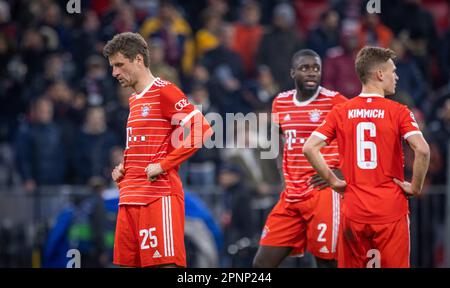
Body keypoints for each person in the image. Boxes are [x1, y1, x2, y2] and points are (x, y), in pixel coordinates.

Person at [303, 46, 430, 268]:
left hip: (354, 210)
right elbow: (422, 149)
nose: (396, 76)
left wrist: (334, 182)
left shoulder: (341, 111)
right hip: (390, 211)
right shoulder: (399, 111)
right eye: (393, 71)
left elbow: (309, 147)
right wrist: (416, 187)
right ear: (380, 74)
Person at [103, 32, 212, 268]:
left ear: (139, 60)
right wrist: (125, 166)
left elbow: (201, 129)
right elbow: (144, 142)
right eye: (112, 67)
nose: (114, 73)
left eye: (119, 65)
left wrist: (163, 165)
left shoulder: (164, 90)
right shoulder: (134, 100)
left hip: (157, 196)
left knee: (163, 265)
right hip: (129, 197)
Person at [253, 49, 347, 268]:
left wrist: (341, 173)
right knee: (261, 264)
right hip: (292, 195)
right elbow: (280, 142)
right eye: (305, 68)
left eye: (316, 68)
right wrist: (283, 178)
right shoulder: (280, 102)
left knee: (325, 262)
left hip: (323, 193)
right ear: (293, 72)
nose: (312, 72)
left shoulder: (335, 102)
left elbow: (357, 138)